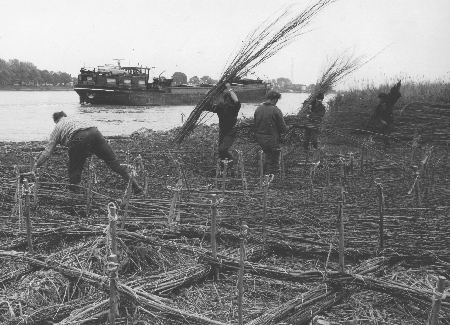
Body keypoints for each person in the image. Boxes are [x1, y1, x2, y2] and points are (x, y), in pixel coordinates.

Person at [32, 111, 143, 194]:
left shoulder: (58, 127)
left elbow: (48, 152)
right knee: (114, 163)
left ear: (56, 120)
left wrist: (37, 164)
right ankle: (136, 186)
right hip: (95, 132)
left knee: (74, 167)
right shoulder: (76, 118)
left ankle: (74, 191)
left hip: (78, 137)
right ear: (64, 116)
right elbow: (89, 137)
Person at [204, 82, 241, 173]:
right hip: (223, 131)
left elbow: (236, 100)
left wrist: (229, 88)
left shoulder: (234, 108)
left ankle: (231, 162)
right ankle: (223, 169)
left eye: (228, 99)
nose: (227, 101)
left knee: (222, 149)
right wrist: (208, 94)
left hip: (231, 131)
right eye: (226, 99)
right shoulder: (221, 107)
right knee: (221, 152)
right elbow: (207, 106)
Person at [254, 89, 288, 175]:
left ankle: (260, 175)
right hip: (271, 139)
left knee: (268, 156)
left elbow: (255, 124)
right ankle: (270, 181)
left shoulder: (258, 109)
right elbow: (283, 128)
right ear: (275, 99)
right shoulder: (276, 110)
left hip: (260, 138)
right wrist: (289, 127)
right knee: (273, 161)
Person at [367, 81, 402, 146]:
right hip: (384, 123)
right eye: (380, 99)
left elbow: (395, 95)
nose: (381, 100)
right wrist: (381, 120)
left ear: (384, 98)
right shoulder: (379, 106)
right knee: (383, 135)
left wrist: (397, 88)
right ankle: (386, 147)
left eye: (382, 98)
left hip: (390, 122)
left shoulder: (390, 103)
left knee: (386, 135)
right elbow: (376, 115)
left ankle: (388, 147)